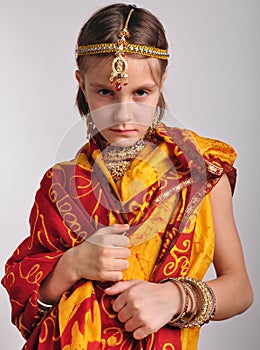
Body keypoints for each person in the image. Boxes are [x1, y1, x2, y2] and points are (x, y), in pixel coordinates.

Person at [2, 3, 253, 350]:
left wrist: (176, 298)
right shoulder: (59, 184)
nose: (123, 112)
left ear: (162, 82)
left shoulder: (200, 172)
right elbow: (26, 307)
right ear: (82, 84)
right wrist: (71, 265)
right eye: (105, 92)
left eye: (141, 93)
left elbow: (239, 289)